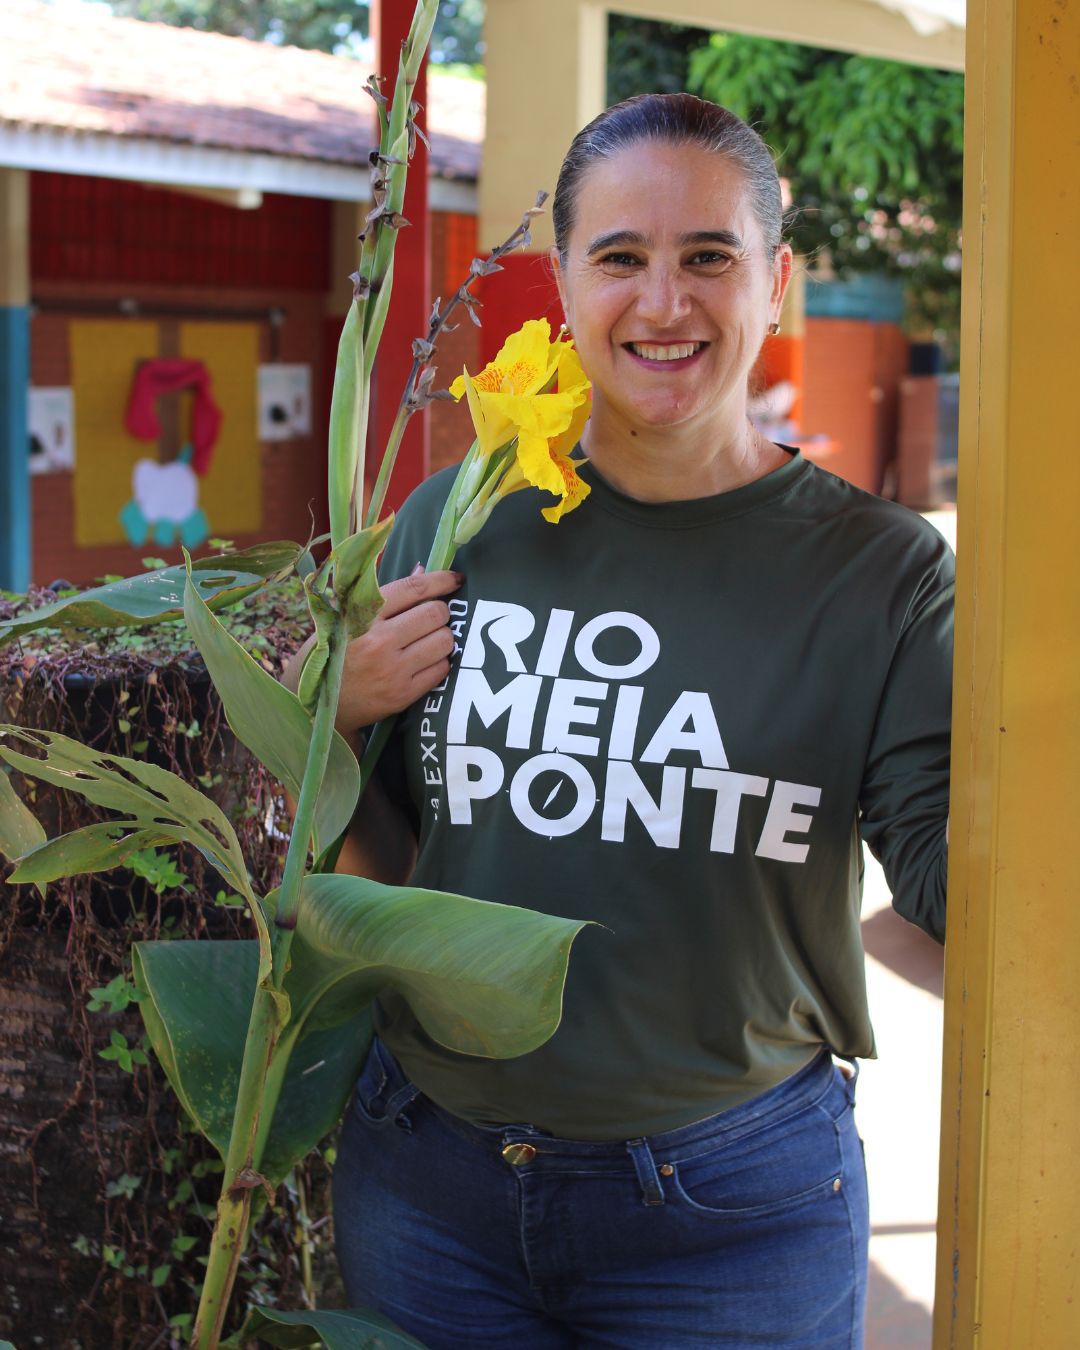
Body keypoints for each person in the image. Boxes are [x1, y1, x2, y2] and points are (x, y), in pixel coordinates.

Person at [309, 93, 953, 1348]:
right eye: (620, 258)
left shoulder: (882, 573)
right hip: (428, 1184)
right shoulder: (460, 515)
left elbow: (948, 883)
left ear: (776, 282)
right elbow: (390, 871)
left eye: (709, 256)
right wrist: (326, 727)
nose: (664, 303)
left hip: (730, 1215)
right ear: (563, 283)